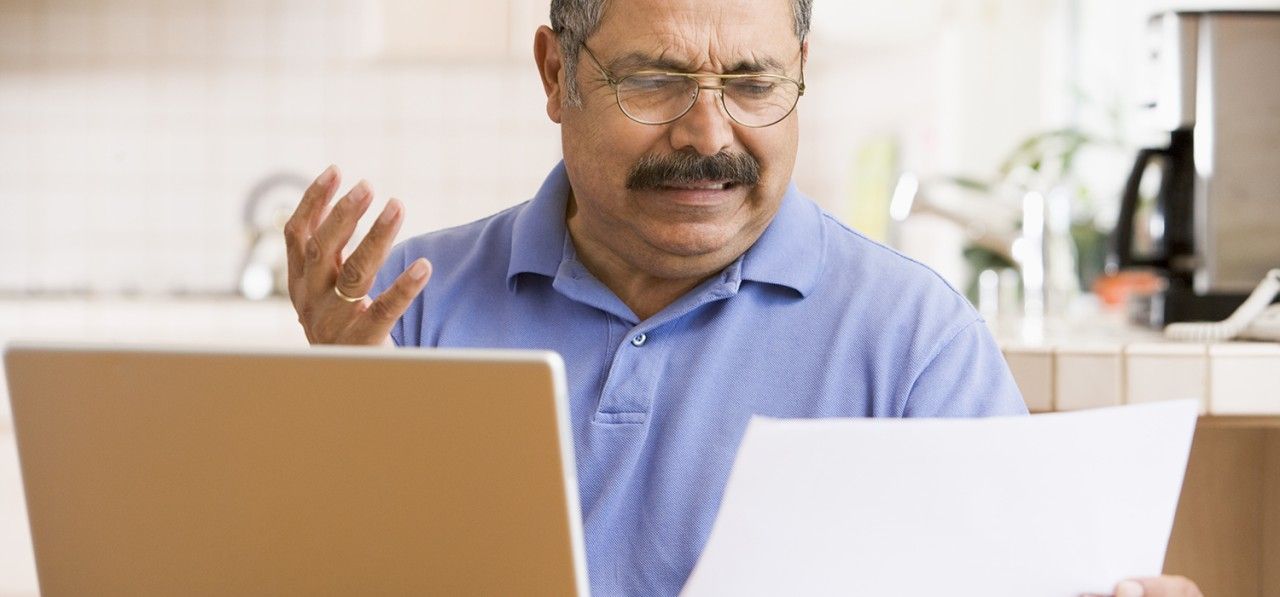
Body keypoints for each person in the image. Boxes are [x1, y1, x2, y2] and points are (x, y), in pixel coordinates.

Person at [282, 1, 1205, 595]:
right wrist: (348, 425)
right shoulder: (406, 311)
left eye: (756, 83)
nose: (709, 131)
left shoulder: (915, 340)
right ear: (557, 76)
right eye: (654, 80)